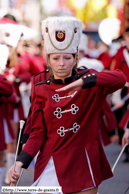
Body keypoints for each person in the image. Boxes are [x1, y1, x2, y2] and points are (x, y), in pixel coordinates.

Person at [8, 16, 126, 194]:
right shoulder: (40, 87)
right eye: (56, 58)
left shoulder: (89, 80)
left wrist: (84, 82)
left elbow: (120, 79)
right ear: (48, 59)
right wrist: (20, 161)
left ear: (76, 57)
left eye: (67, 57)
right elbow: (38, 132)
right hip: (51, 161)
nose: (62, 64)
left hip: (84, 162)